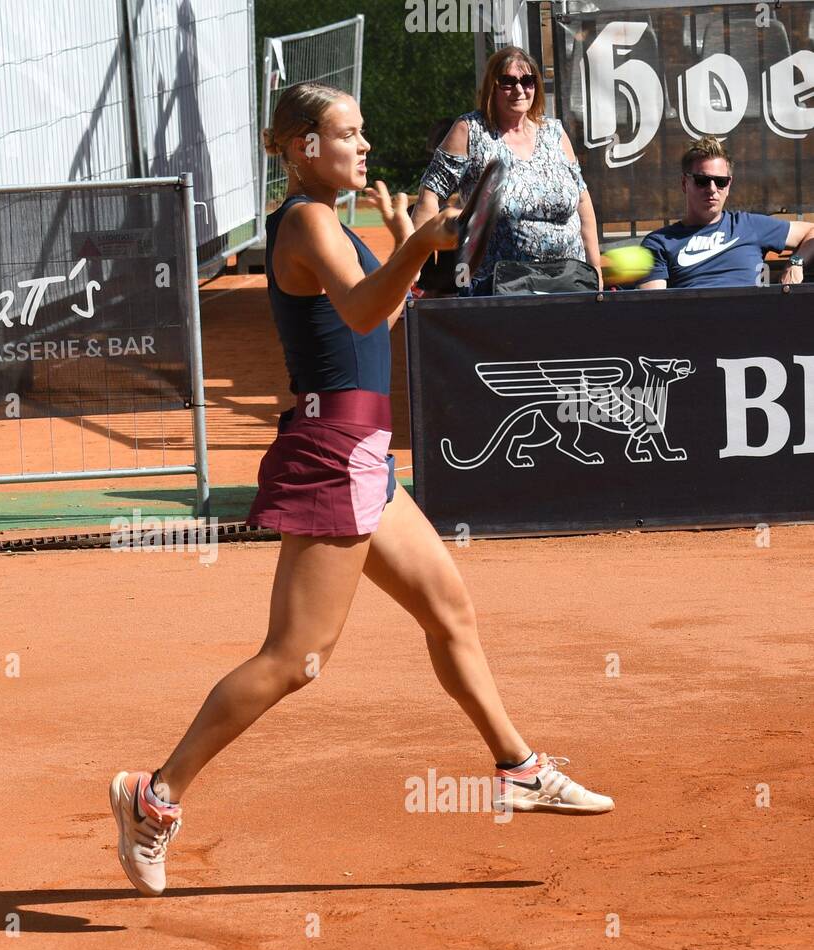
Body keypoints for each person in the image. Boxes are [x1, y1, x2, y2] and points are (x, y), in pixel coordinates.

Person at [110, 82, 615, 898]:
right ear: (305, 146)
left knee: (448, 607)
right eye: (349, 133)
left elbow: (371, 323)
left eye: (363, 130)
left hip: (364, 451)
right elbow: (356, 311)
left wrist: (402, 243)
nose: (365, 146)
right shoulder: (307, 221)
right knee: (295, 660)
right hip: (333, 450)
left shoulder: (331, 223)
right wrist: (417, 247)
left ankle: (517, 768)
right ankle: (154, 796)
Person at [413, 47, 601, 296]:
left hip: (567, 282)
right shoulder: (470, 130)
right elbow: (430, 194)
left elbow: (582, 199)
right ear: (492, 86)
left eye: (527, 81)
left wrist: (595, 269)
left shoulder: (554, 132)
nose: (520, 90)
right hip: (498, 288)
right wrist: (411, 263)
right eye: (507, 82)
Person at [637, 136, 814, 290]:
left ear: (728, 185)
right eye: (702, 181)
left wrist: (796, 262)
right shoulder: (659, 242)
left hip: (754, 321)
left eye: (720, 181)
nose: (712, 189)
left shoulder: (750, 225)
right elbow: (654, 306)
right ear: (684, 184)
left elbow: (811, 232)